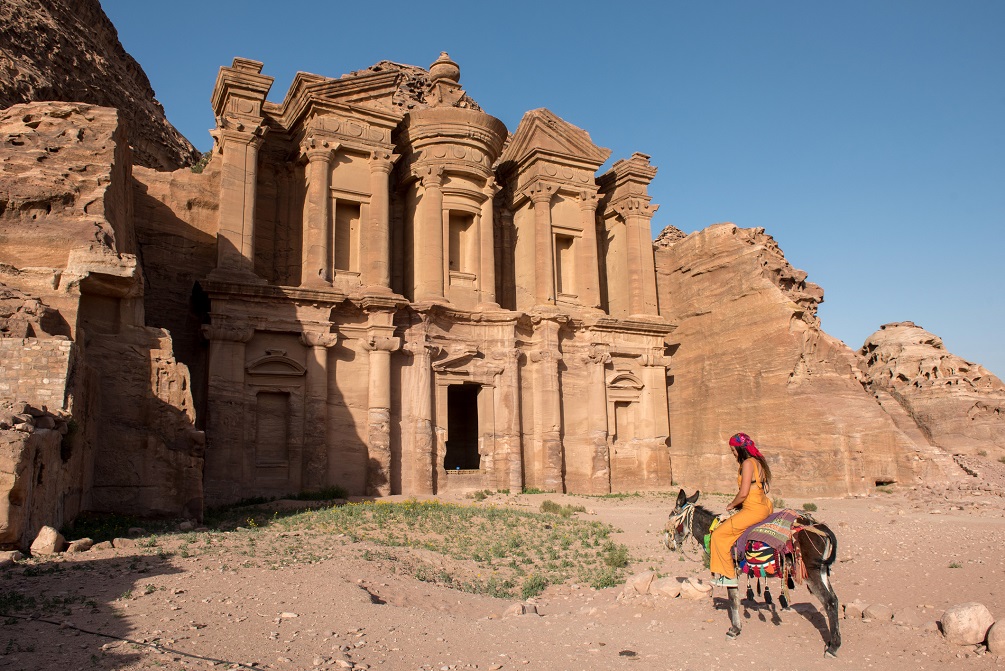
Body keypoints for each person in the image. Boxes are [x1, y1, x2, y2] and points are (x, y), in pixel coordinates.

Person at [709, 432, 773, 587]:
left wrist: (732, 504)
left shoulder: (747, 464)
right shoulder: (758, 462)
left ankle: (729, 575)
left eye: (733, 450)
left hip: (753, 510)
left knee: (718, 535)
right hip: (764, 506)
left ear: (740, 449)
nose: (733, 454)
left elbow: (743, 493)